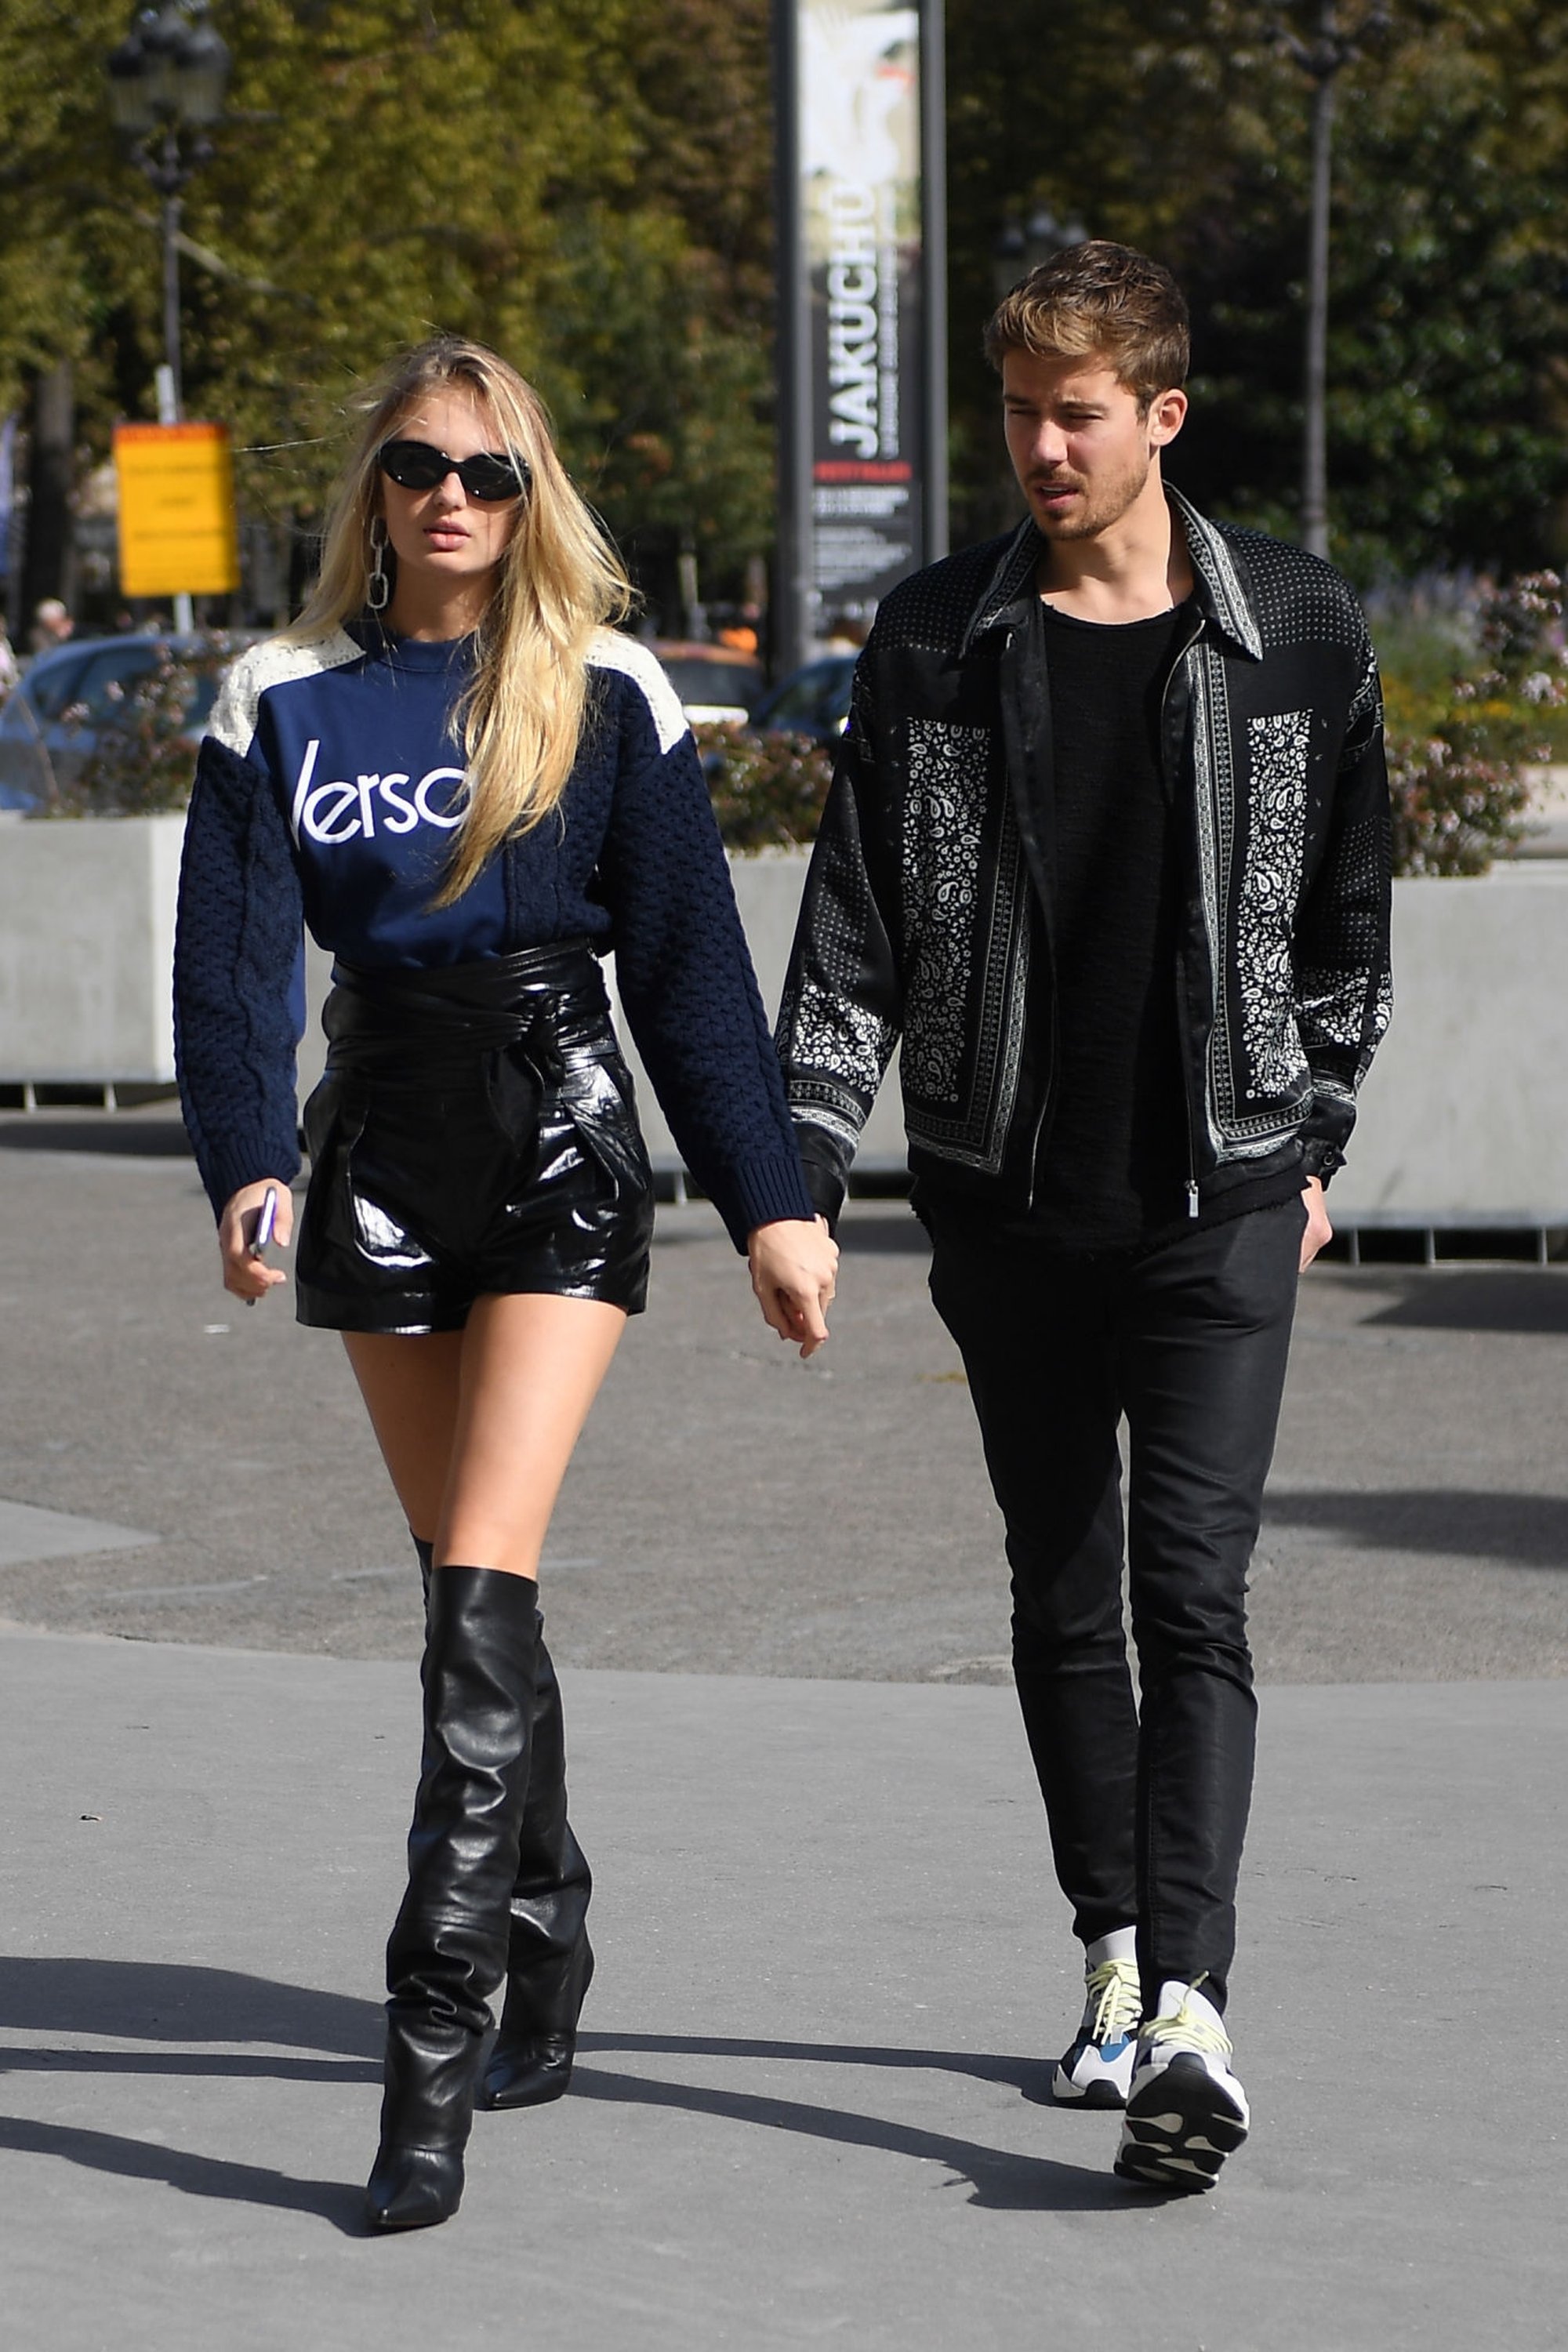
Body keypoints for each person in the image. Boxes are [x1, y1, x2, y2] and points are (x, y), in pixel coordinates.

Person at [173, 333, 838, 2232]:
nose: (452, 501)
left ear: (531, 496)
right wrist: (243, 1161)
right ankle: (547, 1931)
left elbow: (694, 979)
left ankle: (426, 2081)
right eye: (417, 468)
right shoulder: (279, 697)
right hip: (374, 1150)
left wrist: (772, 1203)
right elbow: (231, 970)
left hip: (558, 1135)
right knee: (473, 1583)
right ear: (369, 492)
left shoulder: (606, 690)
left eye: (490, 474)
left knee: (476, 1604)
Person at [776, 241, 1391, 2193]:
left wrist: (1314, 1144)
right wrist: (800, 1164)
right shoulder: (939, 634)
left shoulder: (1293, 626)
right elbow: (855, 914)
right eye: (1018, 411)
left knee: (1190, 1596)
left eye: (1075, 412)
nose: (1039, 446)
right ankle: (1114, 1950)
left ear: (1160, 417)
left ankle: (1193, 2011)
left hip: (1215, 1190)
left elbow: (1347, 924)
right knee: (1060, 1586)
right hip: (1004, 1193)